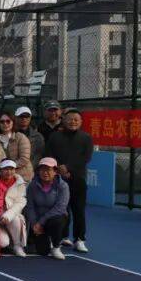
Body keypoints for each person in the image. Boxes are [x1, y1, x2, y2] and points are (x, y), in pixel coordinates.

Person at [46, 108, 93, 252]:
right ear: (63, 120)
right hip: (59, 179)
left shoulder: (86, 138)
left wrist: (68, 168)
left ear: (81, 122)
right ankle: (62, 236)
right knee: (61, 209)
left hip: (78, 179)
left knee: (79, 210)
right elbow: (49, 154)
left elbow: (86, 158)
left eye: (76, 119)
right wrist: (59, 169)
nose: (73, 122)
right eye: (70, 119)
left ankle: (80, 239)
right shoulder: (55, 137)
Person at [24, 157, 70, 259]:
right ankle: (46, 240)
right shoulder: (32, 186)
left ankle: (56, 246)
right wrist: (35, 224)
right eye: (42, 169)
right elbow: (30, 206)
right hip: (38, 222)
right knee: (43, 252)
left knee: (57, 220)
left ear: (55, 171)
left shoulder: (63, 186)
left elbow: (60, 208)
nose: (45, 173)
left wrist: (41, 222)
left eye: (48, 169)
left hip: (54, 219)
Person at [0, 158, 28, 258]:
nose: (9, 172)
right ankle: (7, 242)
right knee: (3, 243)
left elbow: (21, 202)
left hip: (12, 214)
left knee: (16, 219)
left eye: (12, 169)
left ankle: (17, 245)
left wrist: (7, 216)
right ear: (0, 170)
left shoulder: (20, 183)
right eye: (6, 169)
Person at [0, 112, 32, 182]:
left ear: (13, 123)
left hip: (23, 177)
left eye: (8, 121)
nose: (5, 124)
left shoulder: (21, 137)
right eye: (2, 122)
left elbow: (24, 159)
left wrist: (8, 168)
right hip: (3, 178)